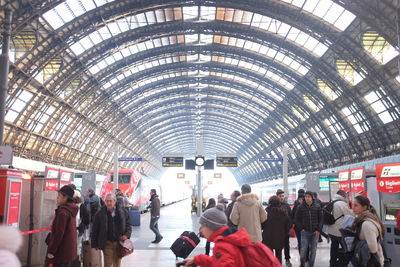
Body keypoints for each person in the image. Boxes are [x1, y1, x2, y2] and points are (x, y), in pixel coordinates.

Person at [184, 204, 252, 266]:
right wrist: (197, 260)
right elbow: (217, 261)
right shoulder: (228, 239)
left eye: (203, 226)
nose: (201, 230)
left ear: (211, 226)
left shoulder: (222, 247)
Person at [91, 193, 132, 267]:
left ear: (115, 201)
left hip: (119, 243)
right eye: (106, 201)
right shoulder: (100, 213)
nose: (108, 203)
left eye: (110, 201)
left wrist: (127, 235)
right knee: (108, 263)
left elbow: (128, 224)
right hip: (107, 242)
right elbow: (95, 229)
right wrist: (94, 244)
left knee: (117, 263)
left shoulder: (123, 212)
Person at [46, 185, 79, 266]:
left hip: (61, 251)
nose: (57, 198)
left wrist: (52, 250)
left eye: (59, 196)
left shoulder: (63, 212)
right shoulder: (71, 209)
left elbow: (59, 233)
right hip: (69, 251)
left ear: (65, 197)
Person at [352, 195, 384, 267]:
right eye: (352, 205)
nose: (352, 208)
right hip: (368, 260)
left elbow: (373, 249)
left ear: (364, 207)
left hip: (371, 262)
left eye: (356, 205)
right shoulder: (362, 219)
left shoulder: (367, 224)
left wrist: (359, 246)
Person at [295, 190, 323, 267]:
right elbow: (296, 219)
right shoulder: (300, 207)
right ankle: (302, 264)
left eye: (309, 197)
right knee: (303, 250)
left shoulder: (317, 206)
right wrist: (301, 228)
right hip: (305, 232)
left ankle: (311, 265)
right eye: (306, 197)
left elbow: (321, 219)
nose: (307, 198)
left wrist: (318, 230)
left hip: (315, 233)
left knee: (313, 251)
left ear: (312, 197)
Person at [327, 190, 354, 267]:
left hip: (331, 231)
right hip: (339, 231)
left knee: (334, 248)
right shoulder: (341, 204)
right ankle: (344, 264)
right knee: (347, 249)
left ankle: (332, 264)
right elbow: (350, 214)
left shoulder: (331, 201)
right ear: (343, 195)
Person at [262, 195, 291, 264]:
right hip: (280, 237)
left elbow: (262, 224)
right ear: (279, 202)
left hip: (267, 237)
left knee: (269, 255)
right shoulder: (283, 212)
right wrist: (285, 232)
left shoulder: (266, 211)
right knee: (279, 255)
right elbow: (288, 225)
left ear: (270, 202)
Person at [276, 189, 292, 267]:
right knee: (277, 246)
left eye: (282, 196)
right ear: (277, 196)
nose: (281, 197)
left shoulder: (287, 205)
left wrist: (289, 228)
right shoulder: (274, 205)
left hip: (285, 230)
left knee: (286, 245)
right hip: (277, 231)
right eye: (280, 196)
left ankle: (287, 259)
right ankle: (277, 261)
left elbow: (290, 217)